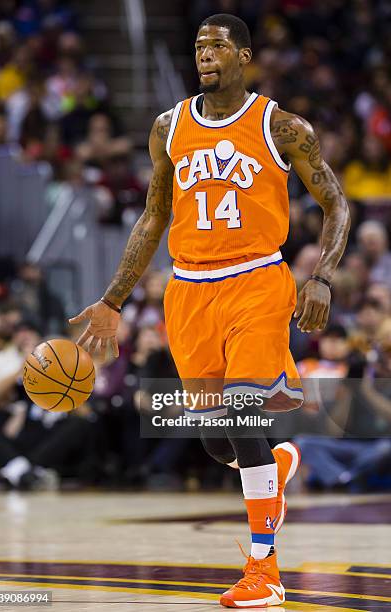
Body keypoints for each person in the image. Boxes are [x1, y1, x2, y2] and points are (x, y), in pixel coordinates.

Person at [69, 14, 350, 608]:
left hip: (256, 281)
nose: (204, 55)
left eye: (217, 46)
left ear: (244, 56)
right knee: (216, 442)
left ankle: (264, 572)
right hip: (189, 291)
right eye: (197, 46)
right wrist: (113, 299)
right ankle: (281, 459)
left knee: (243, 419)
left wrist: (321, 275)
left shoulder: (281, 126)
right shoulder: (168, 127)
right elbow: (152, 217)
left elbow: (335, 201)